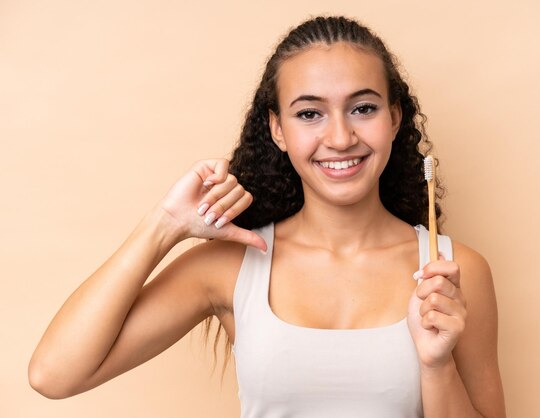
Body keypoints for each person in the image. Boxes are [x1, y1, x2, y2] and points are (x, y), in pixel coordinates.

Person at [29, 15, 505, 417]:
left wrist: (437, 366)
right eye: (309, 114)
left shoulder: (453, 270)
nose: (340, 138)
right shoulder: (232, 266)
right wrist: (164, 225)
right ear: (277, 129)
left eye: (362, 108)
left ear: (395, 118)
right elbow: (54, 375)